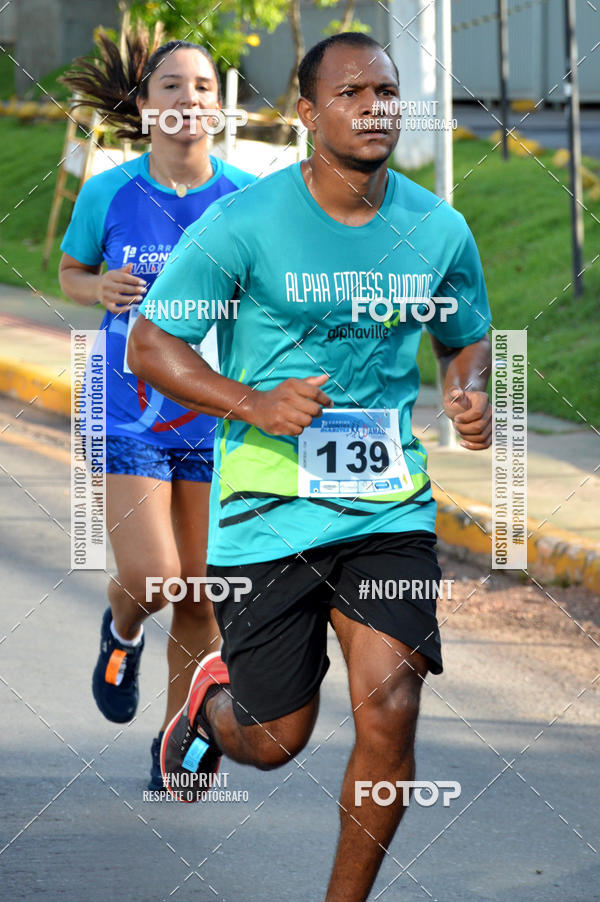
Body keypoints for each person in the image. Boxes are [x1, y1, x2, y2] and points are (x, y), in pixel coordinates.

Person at [129, 32, 492, 901]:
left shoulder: (437, 228)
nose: (375, 107)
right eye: (353, 93)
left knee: (393, 710)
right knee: (276, 738)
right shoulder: (246, 222)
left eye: (388, 91)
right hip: (268, 507)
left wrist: (470, 389)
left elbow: (465, 332)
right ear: (306, 113)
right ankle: (208, 711)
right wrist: (252, 402)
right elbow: (151, 343)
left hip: (385, 506)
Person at [58, 29, 254, 791]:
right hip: (126, 408)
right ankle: (122, 627)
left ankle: (181, 747)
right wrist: (97, 288)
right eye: (170, 87)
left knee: (203, 593)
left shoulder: (243, 199)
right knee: (154, 577)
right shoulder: (109, 190)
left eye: (202, 88)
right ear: (144, 105)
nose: (188, 100)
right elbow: (72, 271)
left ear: (218, 106)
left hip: (215, 413)